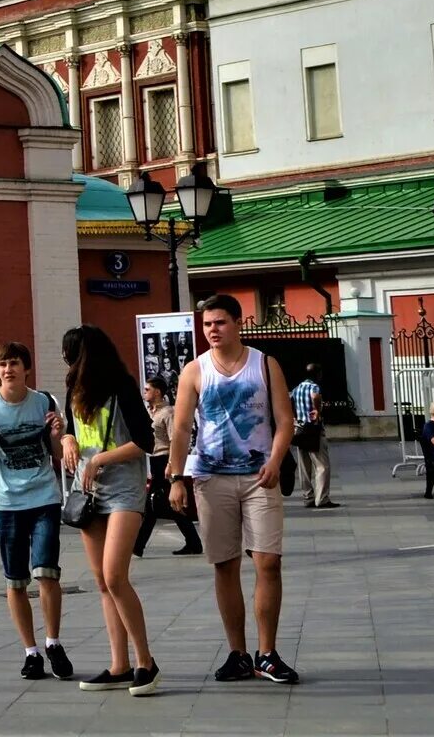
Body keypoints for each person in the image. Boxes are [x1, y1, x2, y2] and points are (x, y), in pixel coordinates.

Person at [167, 293, 297, 685]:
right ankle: (238, 653)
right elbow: (181, 427)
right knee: (225, 565)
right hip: (211, 478)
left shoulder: (265, 364)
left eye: (220, 322)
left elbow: (284, 420)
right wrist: (176, 478)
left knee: (268, 562)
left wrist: (274, 461)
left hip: (259, 476)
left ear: (239, 323)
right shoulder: (194, 371)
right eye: (207, 324)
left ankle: (268, 653)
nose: (212, 331)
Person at [59, 325, 160, 696]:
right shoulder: (74, 388)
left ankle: (145, 661)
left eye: (69, 353)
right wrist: (67, 439)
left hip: (123, 490)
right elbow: (71, 429)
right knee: (102, 581)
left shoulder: (121, 385)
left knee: (116, 576)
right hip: (87, 493)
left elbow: (145, 441)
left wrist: (101, 457)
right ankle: (119, 665)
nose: (65, 360)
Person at [0, 340, 71, 682]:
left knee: (47, 573)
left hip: (44, 498)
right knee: (16, 580)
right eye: (2, 365)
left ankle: (53, 642)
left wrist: (57, 434)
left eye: (13, 364)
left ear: (27, 368)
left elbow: (56, 452)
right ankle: (31, 652)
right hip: (7, 503)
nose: (7, 370)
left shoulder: (44, 402)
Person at [134, 381, 201, 557]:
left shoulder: (168, 412)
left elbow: (175, 440)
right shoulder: (149, 412)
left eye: (148, 389)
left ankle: (137, 545)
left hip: (165, 460)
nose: (145, 392)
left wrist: (172, 464)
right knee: (164, 504)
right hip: (155, 461)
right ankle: (194, 542)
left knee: (152, 503)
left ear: (157, 392)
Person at [289, 366, 336, 509]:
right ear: (317, 374)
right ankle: (322, 498)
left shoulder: (297, 388)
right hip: (314, 429)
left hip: (300, 429)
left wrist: (294, 417)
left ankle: (307, 497)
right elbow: (315, 396)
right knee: (322, 465)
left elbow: (289, 399)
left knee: (304, 466)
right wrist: (316, 409)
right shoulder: (314, 387)